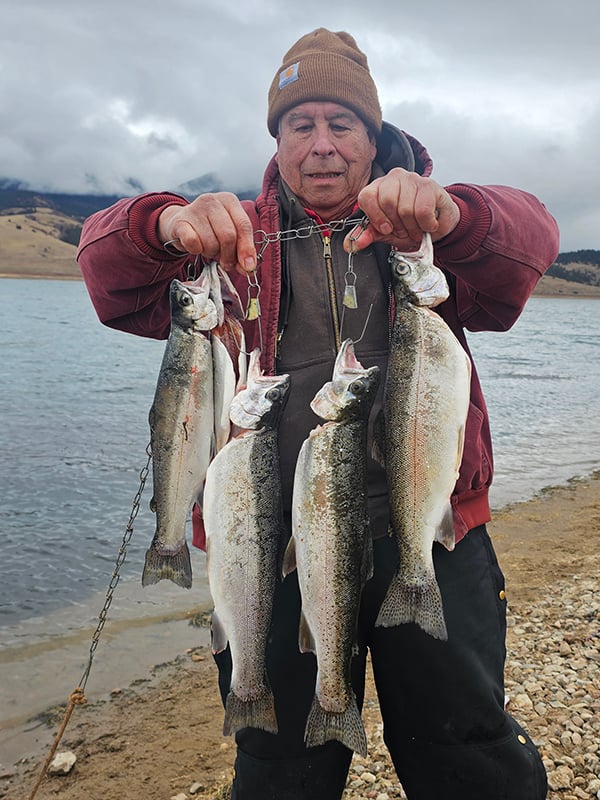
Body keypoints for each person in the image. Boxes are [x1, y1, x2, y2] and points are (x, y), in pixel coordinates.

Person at [77, 28, 559, 800]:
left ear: (373, 140)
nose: (323, 146)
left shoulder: (425, 235)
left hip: (430, 531)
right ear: (277, 139)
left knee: (469, 751)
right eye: (301, 125)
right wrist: (162, 223)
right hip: (268, 539)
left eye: (343, 125)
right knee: (278, 767)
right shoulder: (226, 239)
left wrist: (455, 214)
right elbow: (104, 276)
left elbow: (530, 239)